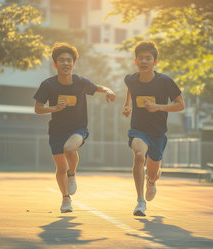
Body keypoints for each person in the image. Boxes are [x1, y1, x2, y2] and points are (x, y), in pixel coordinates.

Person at [34, 42, 115, 213]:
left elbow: (97, 87)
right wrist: (54, 108)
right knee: (60, 168)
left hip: (78, 128)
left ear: (73, 63)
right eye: (61, 60)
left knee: (70, 149)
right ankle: (65, 199)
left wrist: (108, 90)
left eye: (69, 60)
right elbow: (38, 108)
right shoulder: (48, 85)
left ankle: (73, 174)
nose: (66, 63)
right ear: (55, 64)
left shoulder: (80, 82)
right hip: (56, 131)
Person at [122, 41, 185, 216]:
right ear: (136, 61)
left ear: (154, 61)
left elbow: (180, 105)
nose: (144, 61)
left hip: (157, 132)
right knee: (139, 155)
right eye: (140, 58)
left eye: (148, 58)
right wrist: (127, 105)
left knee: (153, 170)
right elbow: (130, 89)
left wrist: (159, 107)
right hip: (138, 129)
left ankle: (151, 181)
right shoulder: (131, 79)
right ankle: (140, 201)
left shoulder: (165, 81)